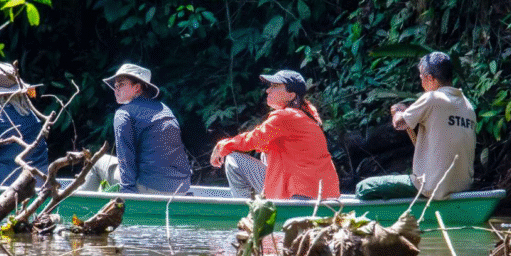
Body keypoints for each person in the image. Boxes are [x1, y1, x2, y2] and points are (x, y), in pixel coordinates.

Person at [356, 51, 476, 200]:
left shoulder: (432, 98)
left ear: (430, 78)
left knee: (363, 187)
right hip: (463, 188)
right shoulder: (468, 106)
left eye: (421, 78)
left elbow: (399, 124)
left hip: (431, 187)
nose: (421, 83)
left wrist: (398, 111)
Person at [210, 70, 340, 200]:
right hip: (324, 194)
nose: (268, 91)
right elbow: (262, 145)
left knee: (233, 159)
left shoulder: (287, 116)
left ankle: (244, 211)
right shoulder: (308, 114)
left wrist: (221, 145)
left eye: (275, 86)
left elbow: (253, 140)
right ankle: (264, 202)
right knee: (265, 153)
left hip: (300, 193)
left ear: (291, 95)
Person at [81, 63, 192, 195]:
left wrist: (128, 191)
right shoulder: (165, 109)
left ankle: (75, 208)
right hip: (181, 188)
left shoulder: (124, 113)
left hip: (150, 188)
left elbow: (125, 157)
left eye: (121, 84)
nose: (116, 90)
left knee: (97, 161)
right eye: (115, 86)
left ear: (137, 87)